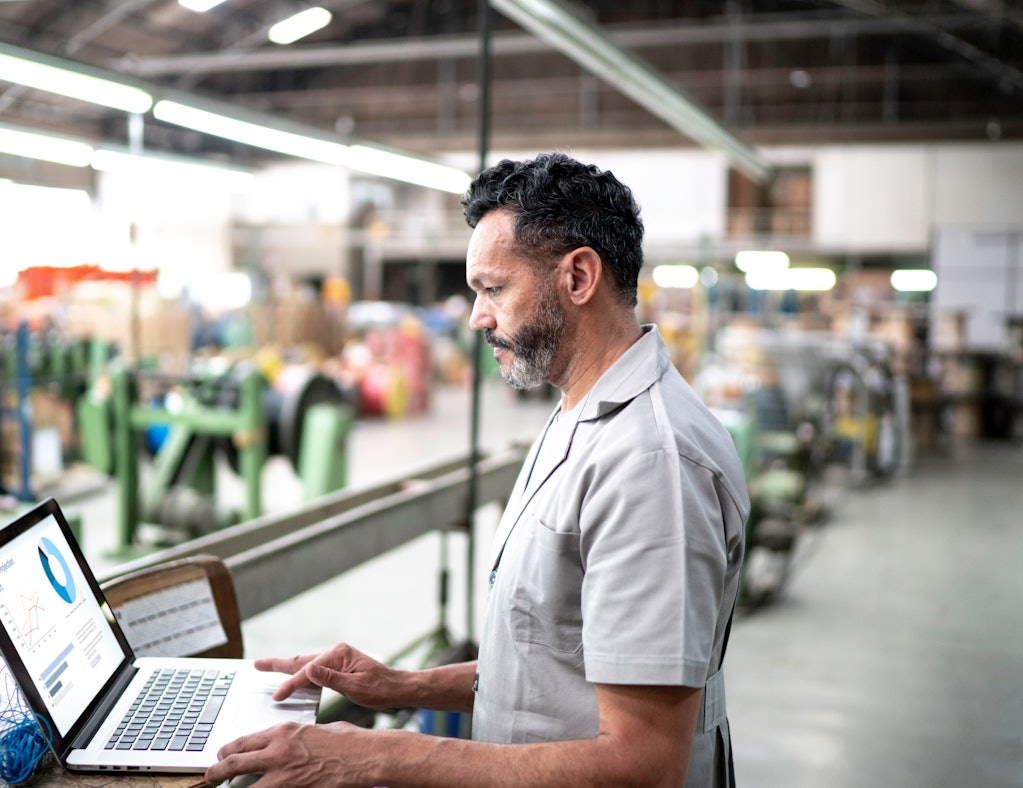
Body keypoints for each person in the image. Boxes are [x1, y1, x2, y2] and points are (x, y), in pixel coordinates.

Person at [205, 152, 750, 787]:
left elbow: (644, 763)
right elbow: (553, 668)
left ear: (578, 278)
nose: (476, 318)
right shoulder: (581, 411)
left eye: (493, 289)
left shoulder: (650, 463)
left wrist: (379, 755)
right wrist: (402, 686)